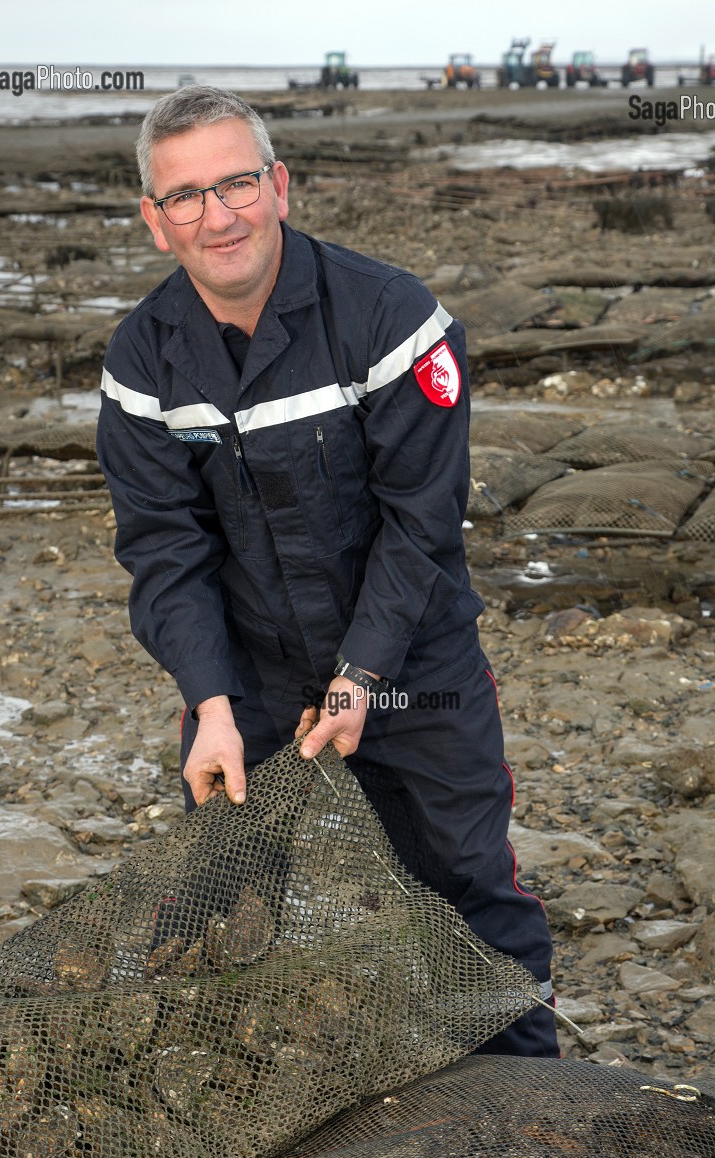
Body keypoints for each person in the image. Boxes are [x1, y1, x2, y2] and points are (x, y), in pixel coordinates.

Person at [96, 87, 558, 1056]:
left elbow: (418, 523)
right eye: (185, 196)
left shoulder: (392, 320)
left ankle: (527, 1108)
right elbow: (163, 549)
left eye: (237, 183)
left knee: (465, 880)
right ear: (153, 220)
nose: (217, 215)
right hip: (248, 679)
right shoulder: (143, 361)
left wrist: (361, 678)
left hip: (413, 665)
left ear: (281, 186)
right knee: (218, 898)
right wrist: (209, 702)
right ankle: (228, 1092)